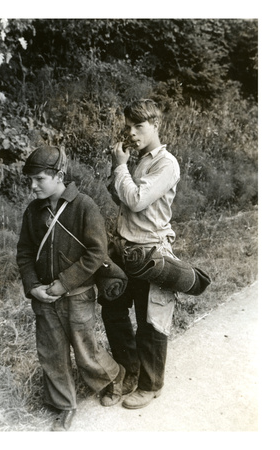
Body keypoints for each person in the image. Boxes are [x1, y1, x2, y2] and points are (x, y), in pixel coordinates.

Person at [16, 144, 125, 431]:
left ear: (59, 175)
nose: (33, 185)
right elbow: (25, 252)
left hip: (77, 295)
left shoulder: (84, 206)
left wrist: (63, 284)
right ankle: (64, 405)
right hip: (44, 298)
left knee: (86, 349)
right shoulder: (33, 211)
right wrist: (33, 286)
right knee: (51, 353)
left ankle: (112, 378)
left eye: (39, 179)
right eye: (30, 179)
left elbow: (96, 253)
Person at [99, 99, 182, 409]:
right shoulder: (141, 160)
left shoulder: (166, 163)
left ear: (156, 125)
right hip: (124, 247)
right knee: (113, 308)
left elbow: (134, 199)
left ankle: (150, 384)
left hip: (150, 250)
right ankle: (128, 371)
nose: (131, 132)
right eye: (129, 126)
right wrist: (117, 166)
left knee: (151, 320)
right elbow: (120, 195)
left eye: (139, 126)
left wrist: (121, 167)